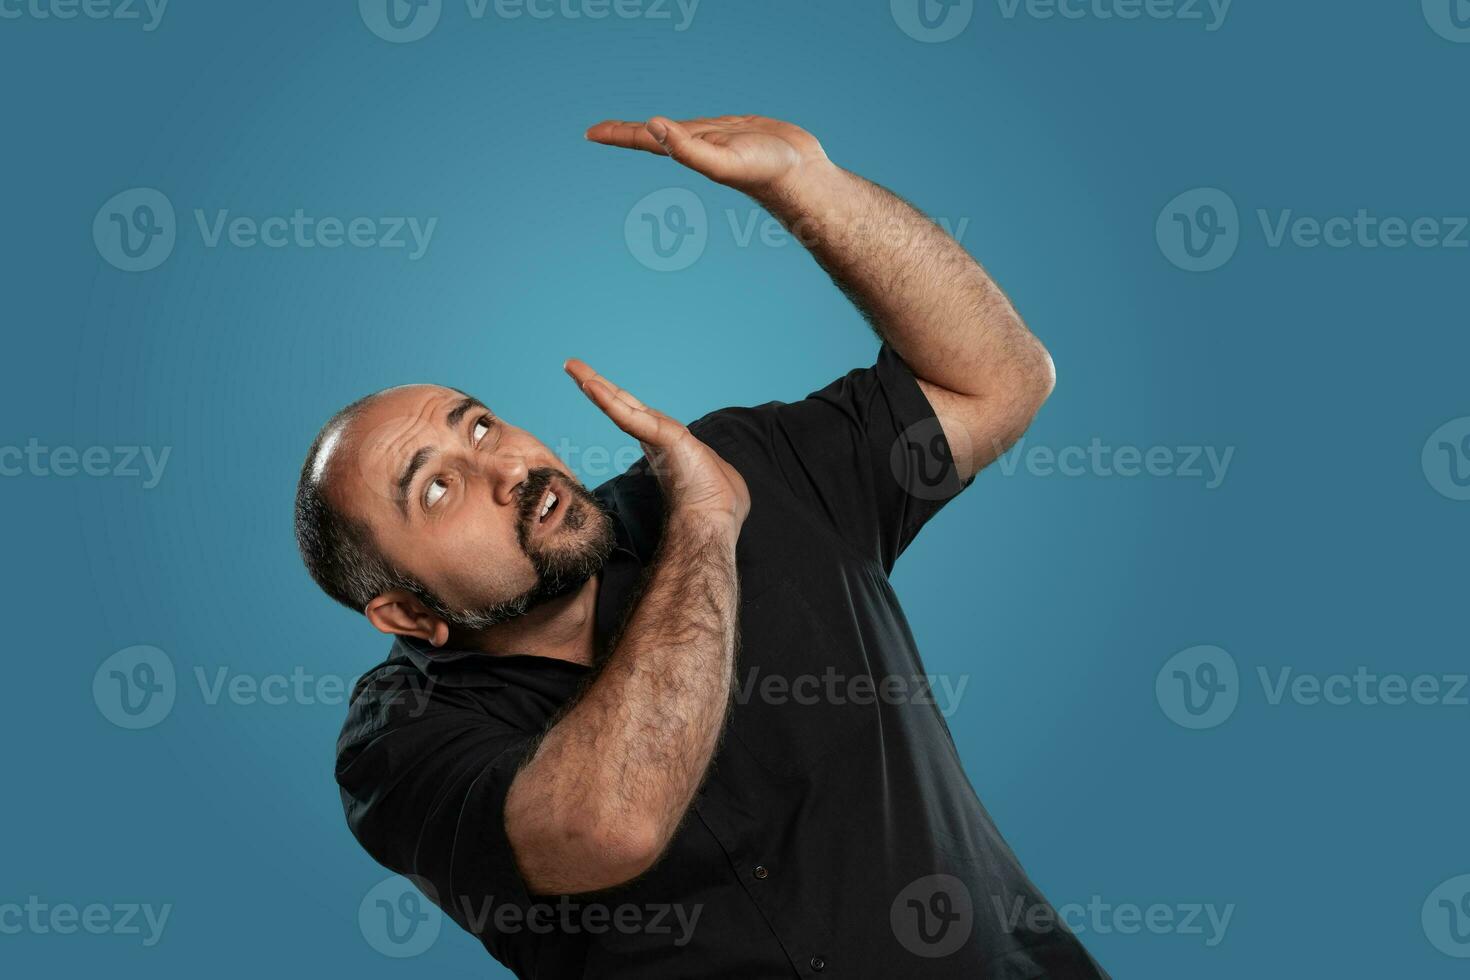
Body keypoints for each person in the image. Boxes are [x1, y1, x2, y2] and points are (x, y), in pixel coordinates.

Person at [296, 114, 1108, 978]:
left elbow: (1000, 380)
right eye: (437, 488)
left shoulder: (741, 467)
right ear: (407, 611)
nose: (508, 470)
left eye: (483, 426)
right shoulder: (395, 742)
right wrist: (706, 531)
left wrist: (806, 187)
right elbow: (607, 826)